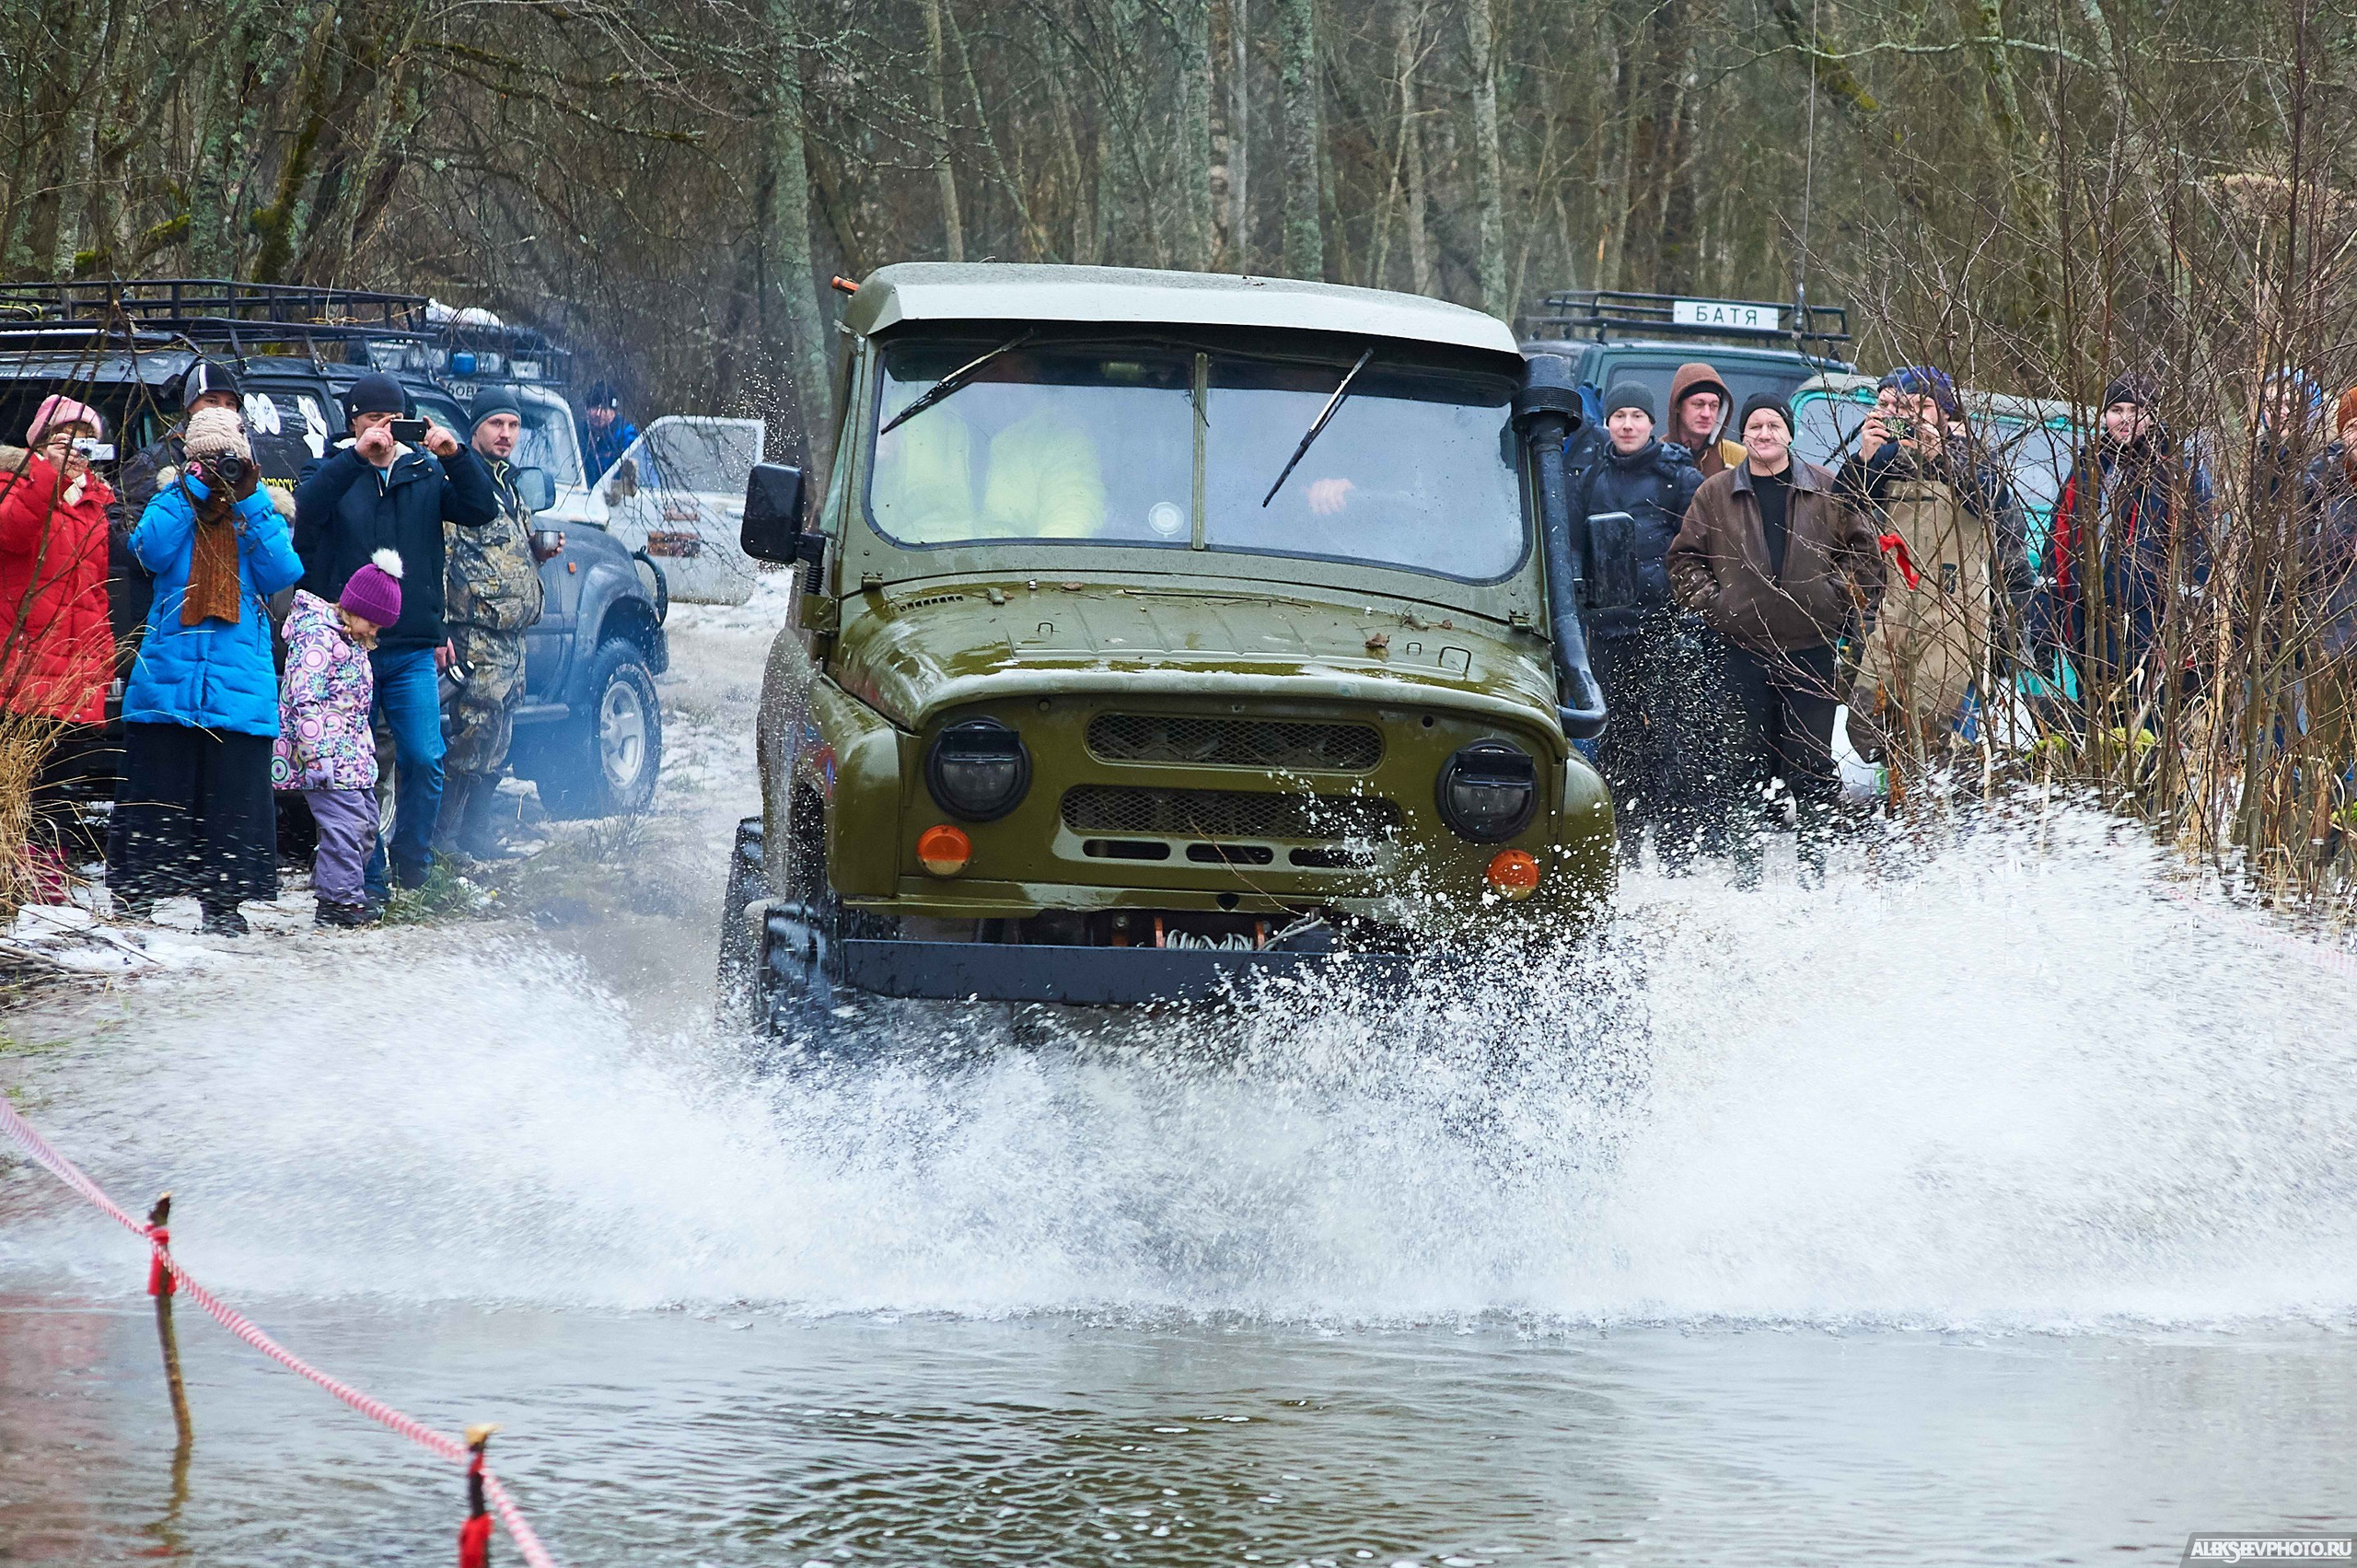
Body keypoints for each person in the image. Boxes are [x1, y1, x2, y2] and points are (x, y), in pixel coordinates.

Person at [293, 371, 496, 897]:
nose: (381, 429)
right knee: (354, 766)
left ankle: (413, 865)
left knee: (425, 758)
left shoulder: (425, 471)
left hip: (409, 646)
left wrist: (455, 456)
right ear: (353, 421)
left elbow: (480, 509)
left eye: (390, 420)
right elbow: (308, 513)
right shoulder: (333, 467)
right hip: (347, 645)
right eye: (370, 419)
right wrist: (357, 456)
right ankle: (367, 873)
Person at [1668, 393, 1884, 880]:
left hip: (1811, 650)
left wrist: (1833, 597)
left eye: (1773, 425)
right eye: (1754, 426)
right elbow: (1682, 561)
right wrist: (1717, 606)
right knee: (1745, 765)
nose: (1764, 434)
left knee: (1809, 765)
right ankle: (1747, 875)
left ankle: (1813, 872)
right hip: (1739, 651)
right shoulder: (1716, 493)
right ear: (1742, 436)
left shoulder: (1826, 489)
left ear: (1789, 433)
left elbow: (1866, 558)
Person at [115, 407, 306, 933]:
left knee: (232, 801)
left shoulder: (259, 510)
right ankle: (136, 896)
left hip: (237, 681)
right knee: (156, 791)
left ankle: (224, 905)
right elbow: (149, 552)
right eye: (204, 457)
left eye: (226, 458)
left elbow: (282, 572)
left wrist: (250, 496)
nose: (216, 466)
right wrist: (191, 490)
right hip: (168, 677)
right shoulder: (169, 500)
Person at [1836, 366, 2031, 778]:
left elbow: (1993, 507)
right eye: (1904, 408)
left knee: (1932, 728)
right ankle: (1898, 785)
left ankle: (1935, 811)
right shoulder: (1891, 459)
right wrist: (1864, 461)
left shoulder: (1976, 460)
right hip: (1896, 607)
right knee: (1864, 719)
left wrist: (1942, 454)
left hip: (1955, 611)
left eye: (1921, 407)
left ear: (1945, 413)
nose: (1911, 416)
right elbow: (1839, 512)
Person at [1571, 383, 1706, 865]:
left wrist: (1673, 594)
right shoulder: (1589, 476)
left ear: (1652, 423)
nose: (1627, 425)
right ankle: (1621, 844)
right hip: (1608, 629)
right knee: (1618, 737)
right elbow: (1571, 544)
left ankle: (1676, 849)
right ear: (1607, 422)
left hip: (1663, 628)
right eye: (1619, 416)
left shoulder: (1678, 477)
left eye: (1636, 416)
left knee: (1669, 738)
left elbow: (1700, 549)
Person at [2032, 376, 2214, 727]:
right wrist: (2044, 626)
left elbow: (2198, 561)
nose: (2126, 419)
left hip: (2150, 628)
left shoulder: (2178, 473)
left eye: (2136, 410)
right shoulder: (2088, 466)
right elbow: (2057, 549)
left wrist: (2182, 635)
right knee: (2096, 722)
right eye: (2117, 410)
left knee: (2143, 731)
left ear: (2152, 415)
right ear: (2103, 415)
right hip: (2089, 621)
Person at [0, 397, 119, 900]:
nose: (75, 452)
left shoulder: (97, 505)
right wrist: (47, 474)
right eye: (61, 440)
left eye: (84, 442)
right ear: (37, 444)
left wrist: (103, 657)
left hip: (74, 668)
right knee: (17, 784)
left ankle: (46, 884)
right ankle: (16, 878)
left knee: (61, 787)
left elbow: (95, 590)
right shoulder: (14, 487)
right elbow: (13, 533)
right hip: (22, 664)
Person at [435, 391, 548, 859]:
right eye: (496, 424)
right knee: (471, 734)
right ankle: (442, 843)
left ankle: (476, 839)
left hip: (511, 637)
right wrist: (438, 627)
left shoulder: (509, 483)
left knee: (498, 737)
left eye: (513, 425)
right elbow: (440, 556)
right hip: (474, 631)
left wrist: (536, 555)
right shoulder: (460, 479)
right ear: (475, 429)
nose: (505, 434)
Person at [275, 551, 402, 927]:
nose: (374, 633)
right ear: (354, 607)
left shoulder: (350, 642)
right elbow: (303, 696)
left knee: (365, 826)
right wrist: (316, 756)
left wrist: (364, 754)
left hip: (351, 760)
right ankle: (339, 903)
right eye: (373, 623)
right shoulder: (318, 638)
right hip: (326, 759)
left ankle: (332, 887)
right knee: (344, 828)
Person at [108, 359, 245, 661]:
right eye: (211, 401)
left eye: (229, 403)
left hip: (233, 624)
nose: (221, 410)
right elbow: (118, 528)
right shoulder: (156, 459)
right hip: (167, 614)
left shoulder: (245, 465)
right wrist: (165, 564)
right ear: (190, 407)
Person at [1667, 362, 1747, 480]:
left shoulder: (1737, 458)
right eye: (1698, 404)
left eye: (1713, 406)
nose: (1706, 414)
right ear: (1678, 406)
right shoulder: (1655, 457)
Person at [585, 381, 638, 479]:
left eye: (605, 409)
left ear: (613, 411)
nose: (598, 414)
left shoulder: (626, 435)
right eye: (594, 408)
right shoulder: (580, 433)